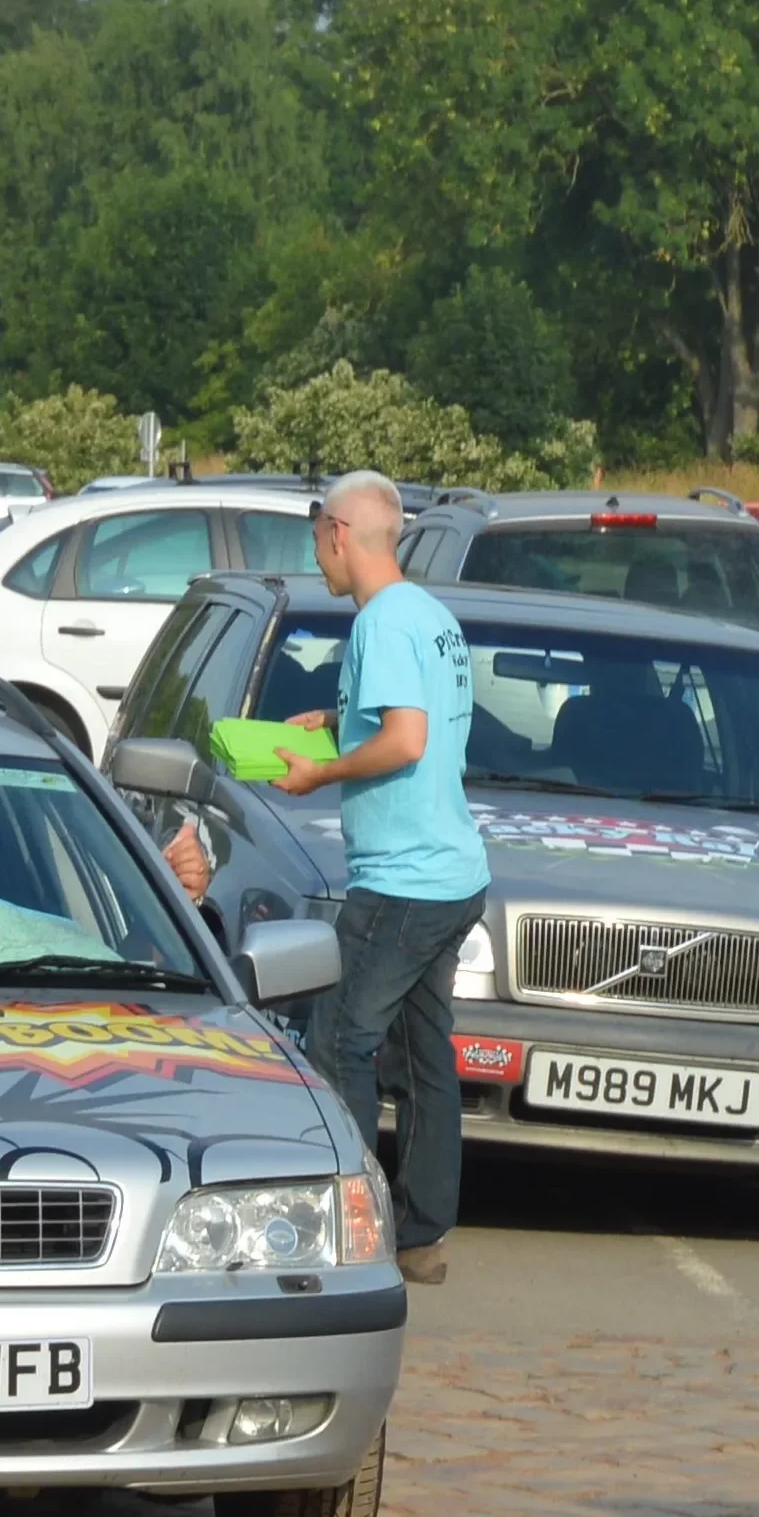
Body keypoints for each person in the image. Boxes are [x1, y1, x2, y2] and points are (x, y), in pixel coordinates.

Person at [267, 470, 489, 1286]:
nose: (317, 554)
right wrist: (334, 719)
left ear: (335, 532)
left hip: (402, 879)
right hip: (452, 871)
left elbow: (404, 742)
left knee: (339, 1043)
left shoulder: (379, 625)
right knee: (423, 1050)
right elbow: (405, 715)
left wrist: (316, 775)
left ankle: (353, 1231)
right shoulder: (427, 615)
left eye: (316, 538)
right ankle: (421, 1235)